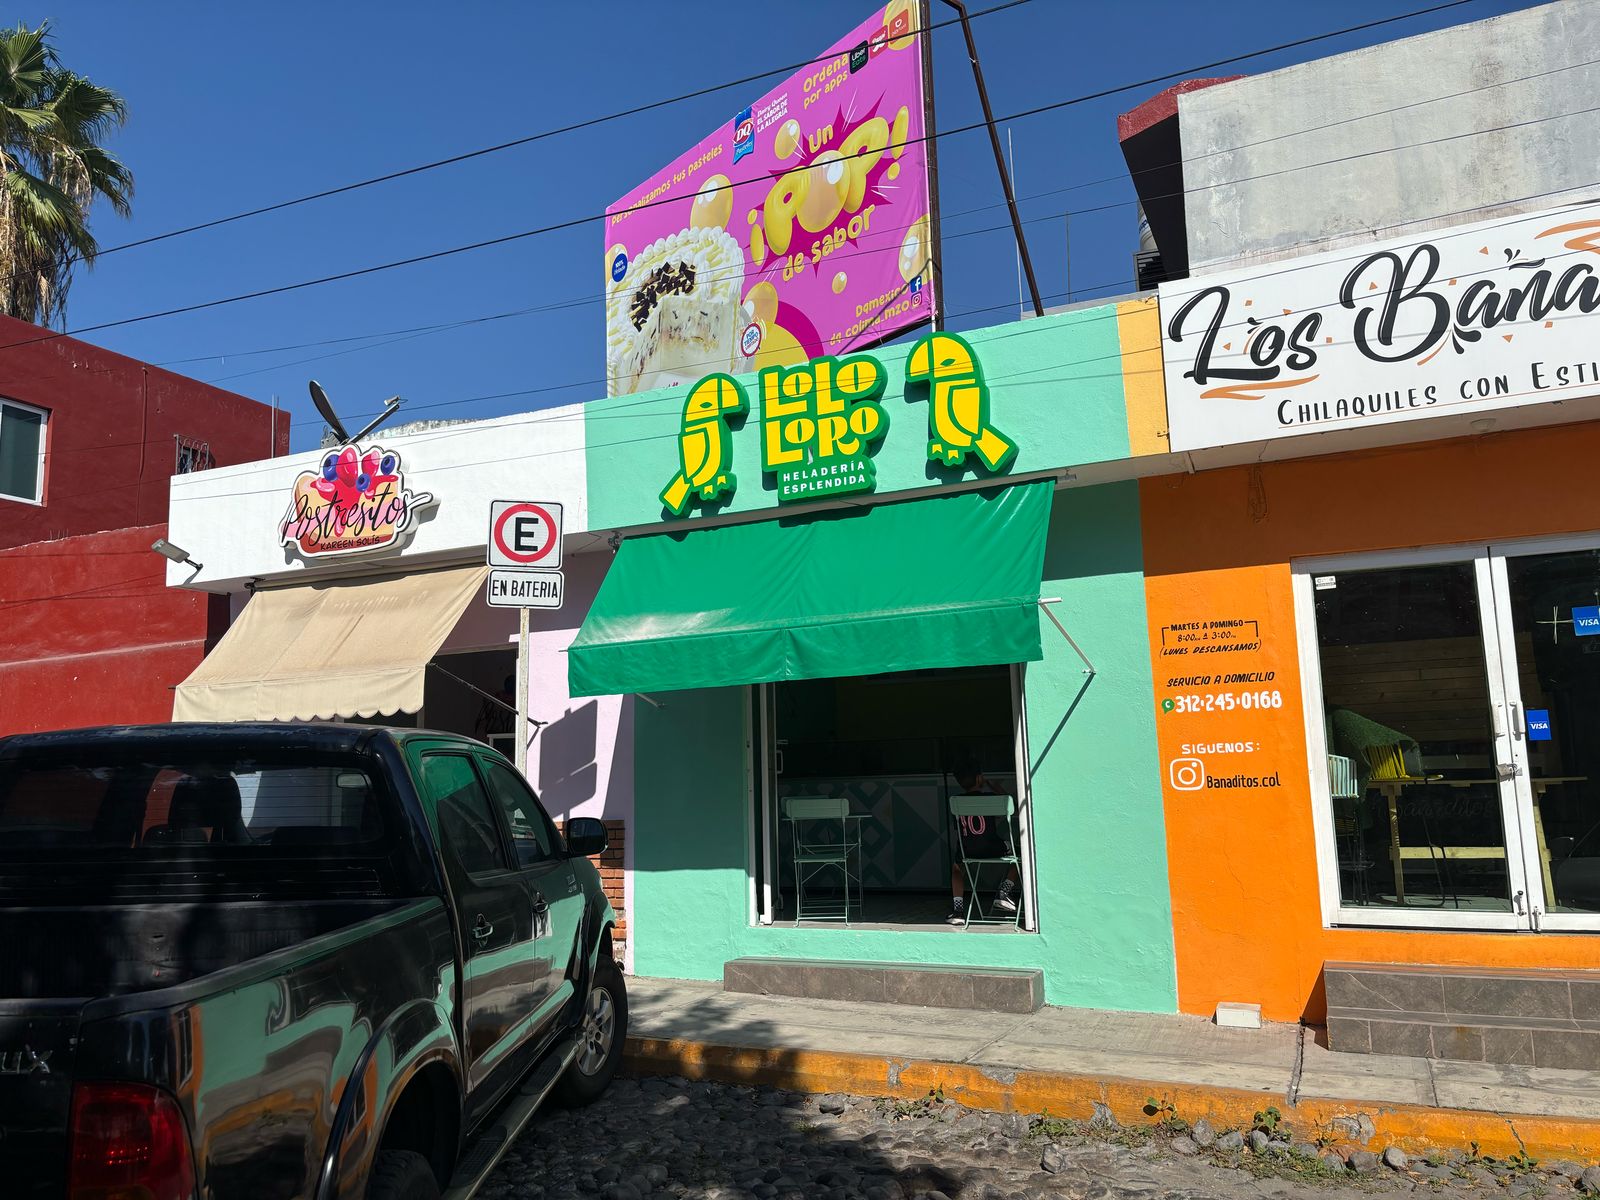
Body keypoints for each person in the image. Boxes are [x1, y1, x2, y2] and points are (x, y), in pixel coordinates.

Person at [948, 759, 1019, 925]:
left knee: (957, 868)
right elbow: (1013, 809)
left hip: (967, 850)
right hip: (993, 848)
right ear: (979, 778)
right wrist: (995, 787)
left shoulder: (956, 801)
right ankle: (1004, 892)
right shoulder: (990, 799)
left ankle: (958, 911)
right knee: (1022, 853)